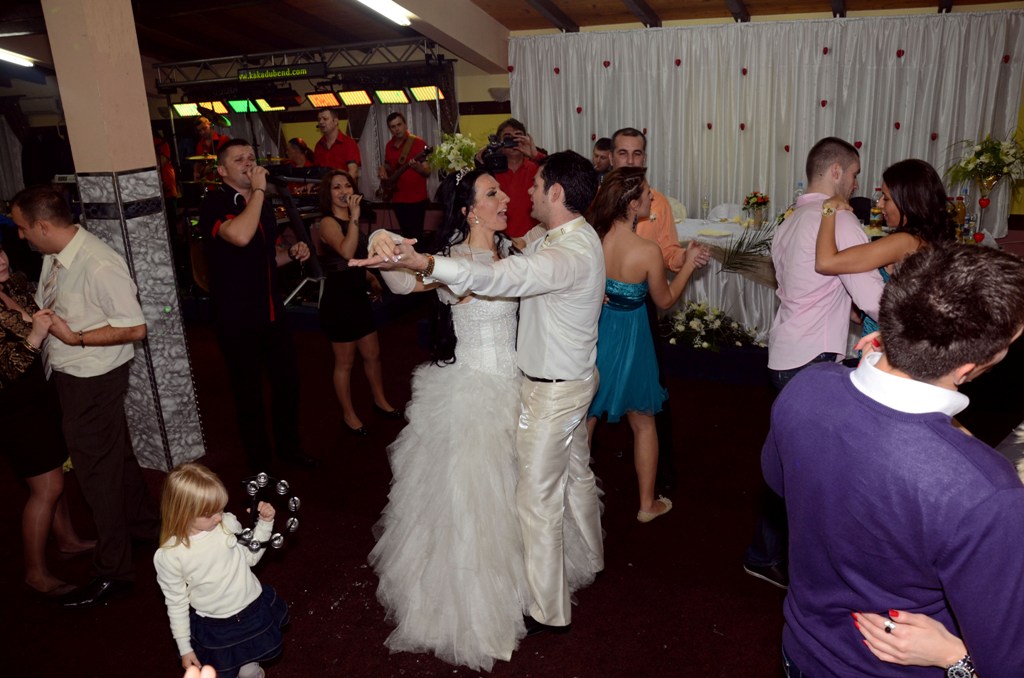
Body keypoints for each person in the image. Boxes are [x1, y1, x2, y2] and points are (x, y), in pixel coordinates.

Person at [359, 151, 606, 634]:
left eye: (509, 190)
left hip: (525, 386)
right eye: (493, 193)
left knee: (540, 489)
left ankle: (551, 581)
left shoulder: (520, 249)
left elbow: (510, 275)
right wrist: (380, 239)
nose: (509, 197)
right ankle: (494, 590)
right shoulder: (456, 259)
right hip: (476, 392)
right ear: (469, 211)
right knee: (484, 497)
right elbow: (402, 283)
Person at [763, 244, 1024, 677]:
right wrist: (957, 659)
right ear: (969, 367)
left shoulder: (805, 389)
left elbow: (782, 483)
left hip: (803, 649)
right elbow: (1007, 662)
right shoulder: (987, 494)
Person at [743, 137, 885, 590]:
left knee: (790, 459)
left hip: (785, 350)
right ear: (837, 171)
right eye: (855, 174)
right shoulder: (838, 219)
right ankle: (802, 567)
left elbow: (802, 286)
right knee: (815, 472)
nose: (857, 183)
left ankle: (764, 553)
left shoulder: (789, 219)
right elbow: (873, 296)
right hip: (814, 358)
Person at [11, 185, 159, 608]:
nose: (20, 235)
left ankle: (114, 571)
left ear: (43, 226)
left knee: (96, 474)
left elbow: (135, 327)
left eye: (23, 228)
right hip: (75, 376)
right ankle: (145, 527)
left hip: (92, 378)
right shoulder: (56, 255)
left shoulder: (98, 263)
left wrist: (75, 337)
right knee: (117, 457)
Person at [585, 167, 710, 522]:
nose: (652, 196)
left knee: (586, 416)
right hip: (633, 337)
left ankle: (576, 497)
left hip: (597, 332)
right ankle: (646, 504)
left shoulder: (593, 237)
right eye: (646, 191)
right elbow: (665, 300)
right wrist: (688, 265)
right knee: (643, 422)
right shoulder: (646, 250)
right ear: (630, 203)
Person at [198, 139, 317, 470]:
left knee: (287, 383)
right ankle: (260, 465)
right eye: (239, 160)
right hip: (236, 318)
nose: (249, 163)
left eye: (251, 157)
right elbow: (239, 236)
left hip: (271, 312)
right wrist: (260, 191)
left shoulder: (259, 204)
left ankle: (290, 449)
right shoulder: (215, 202)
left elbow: (267, 258)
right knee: (248, 395)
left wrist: (290, 254)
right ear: (222, 171)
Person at [0, 242, 94, 597]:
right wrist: (36, 336)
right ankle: (35, 573)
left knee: (54, 473)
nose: (1, 259)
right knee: (47, 486)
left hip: (40, 397)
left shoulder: (13, 285)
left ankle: (67, 540)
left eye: (0, 250)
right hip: (13, 409)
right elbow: (7, 369)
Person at [154, 463, 289, 678]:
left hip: (251, 611)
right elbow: (176, 603)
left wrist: (265, 523)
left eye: (220, 508)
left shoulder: (227, 523)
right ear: (183, 513)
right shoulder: (170, 555)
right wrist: (184, 647)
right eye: (210, 513)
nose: (219, 517)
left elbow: (250, 557)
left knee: (249, 671)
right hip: (216, 626)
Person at [609, 127, 685, 493]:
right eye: (623, 153)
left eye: (637, 154)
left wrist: (683, 259)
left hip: (642, 309)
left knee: (652, 393)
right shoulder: (596, 200)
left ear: (645, 158)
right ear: (611, 157)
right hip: (601, 309)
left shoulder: (658, 203)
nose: (630, 160)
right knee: (592, 390)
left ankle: (661, 474)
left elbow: (668, 252)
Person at [815, 158, 956, 334]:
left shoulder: (904, 242)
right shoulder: (927, 241)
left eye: (886, 199)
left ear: (908, 202)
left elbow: (825, 262)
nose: (880, 204)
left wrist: (828, 209)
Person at [316, 169, 400, 436]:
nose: (344, 191)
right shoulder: (327, 223)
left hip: (357, 297)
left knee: (373, 355)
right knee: (345, 363)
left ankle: (380, 400)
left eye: (347, 186)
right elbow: (346, 251)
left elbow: (354, 262)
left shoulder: (353, 221)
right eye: (337, 187)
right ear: (328, 194)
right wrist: (354, 216)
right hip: (338, 301)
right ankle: (348, 414)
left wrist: (371, 277)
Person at [485, 118, 546, 238]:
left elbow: (561, 176)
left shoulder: (538, 169)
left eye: (518, 136)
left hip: (535, 237)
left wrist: (535, 155)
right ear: (499, 142)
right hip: (500, 239)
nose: (513, 141)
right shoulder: (490, 172)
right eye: (508, 137)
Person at [375, 112, 430, 241]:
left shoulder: (418, 143)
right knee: (405, 235)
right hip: (397, 197)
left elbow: (428, 171)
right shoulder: (389, 145)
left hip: (416, 199)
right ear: (389, 129)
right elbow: (389, 166)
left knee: (416, 236)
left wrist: (418, 168)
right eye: (393, 126)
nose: (397, 129)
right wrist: (383, 168)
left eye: (399, 125)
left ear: (405, 125)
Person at [313, 109, 361, 180]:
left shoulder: (349, 143)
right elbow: (316, 173)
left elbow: (353, 171)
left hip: (343, 186)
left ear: (335, 121)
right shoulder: (319, 145)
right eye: (319, 119)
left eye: (325, 119)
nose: (321, 122)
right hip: (324, 186)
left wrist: (340, 184)